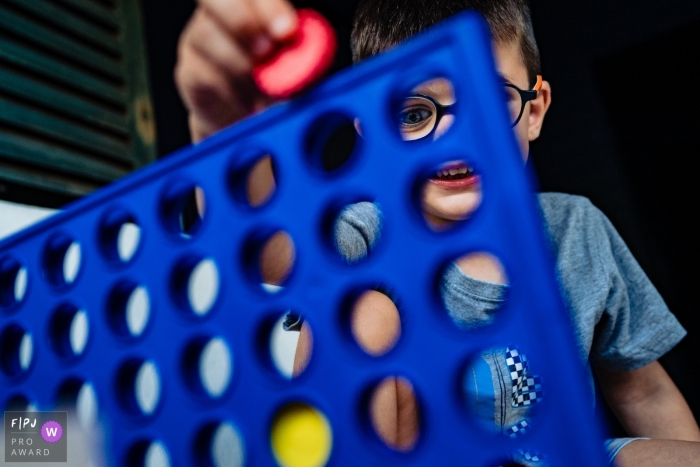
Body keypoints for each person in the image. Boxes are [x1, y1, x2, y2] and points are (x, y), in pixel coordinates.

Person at [174, 0, 700, 465]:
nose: (453, 134)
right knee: (364, 317)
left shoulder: (578, 227)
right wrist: (226, 127)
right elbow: (266, 258)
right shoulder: (368, 231)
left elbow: (644, 393)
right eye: (413, 113)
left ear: (534, 110)